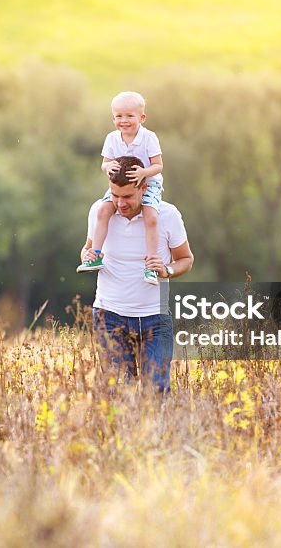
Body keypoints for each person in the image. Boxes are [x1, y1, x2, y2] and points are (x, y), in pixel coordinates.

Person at [80, 156, 193, 391]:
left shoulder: (167, 215)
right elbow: (87, 247)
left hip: (154, 319)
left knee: (157, 391)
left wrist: (167, 270)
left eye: (127, 197)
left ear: (144, 187)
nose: (120, 203)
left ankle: (156, 429)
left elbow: (186, 259)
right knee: (118, 392)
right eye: (115, 195)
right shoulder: (99, 212)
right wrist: (87, 256)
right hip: (109, 316)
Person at [77, 91, 164, 285]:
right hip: (121, 187)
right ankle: (97, 254)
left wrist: (144, 173)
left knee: (150, 216)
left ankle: (150, 266)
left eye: (129, 116)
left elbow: (158, 166)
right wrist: (108, 167)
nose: (124, 120)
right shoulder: (112, 139)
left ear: (142, 118)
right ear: (113, 118)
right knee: (103, 210)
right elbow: (104, 164)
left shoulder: (149, 137)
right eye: (119, 116)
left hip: (148, 184)